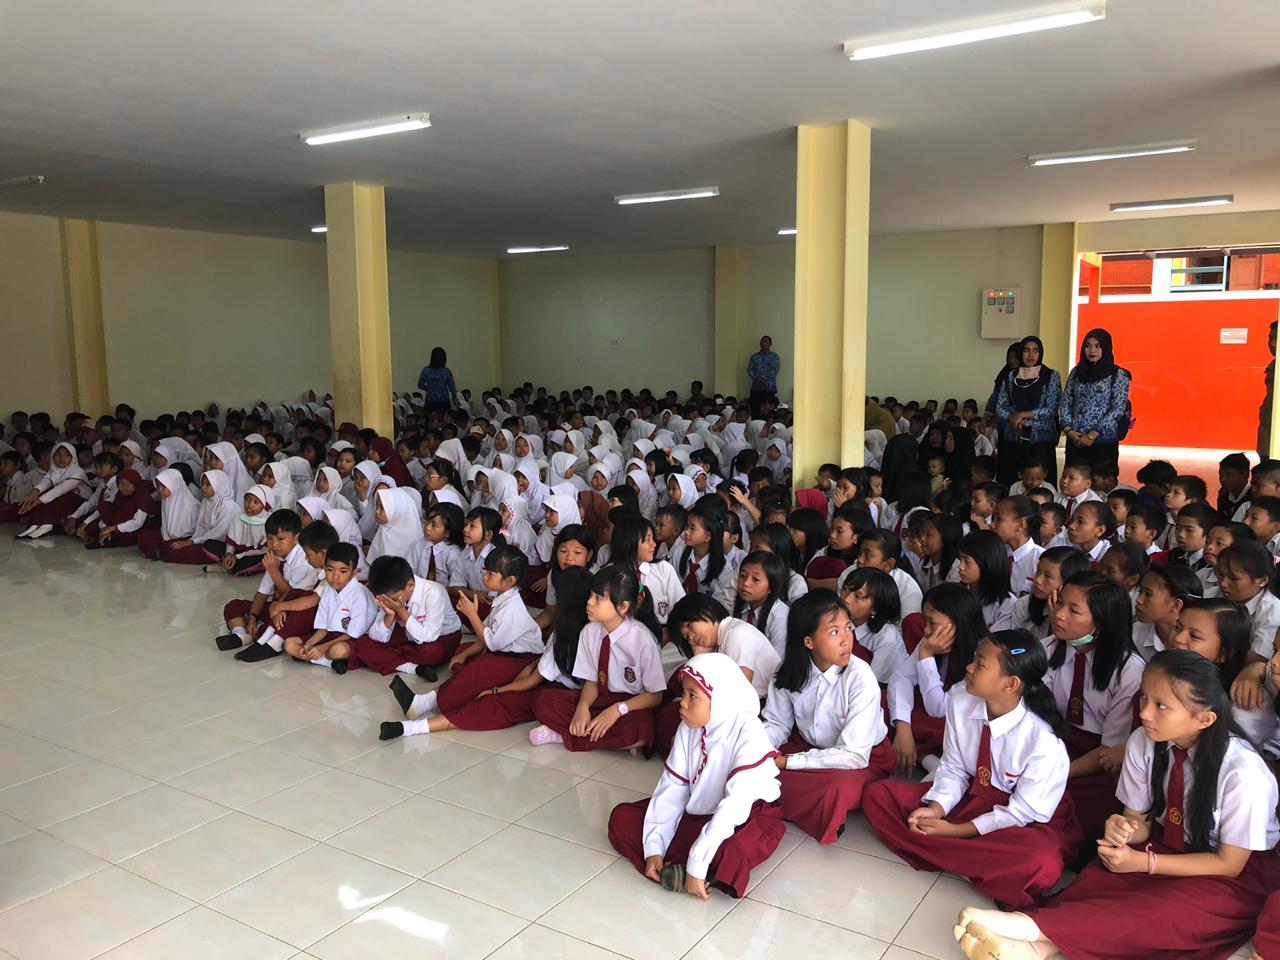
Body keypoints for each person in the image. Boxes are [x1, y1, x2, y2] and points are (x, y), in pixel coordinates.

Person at [953, 651, 1280, 960]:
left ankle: (1029, 929)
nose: (1144, 713)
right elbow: (1139, 822)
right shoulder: (1144, 742)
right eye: (1144, 698)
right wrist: (1123, 830)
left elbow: (1228, 864)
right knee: (1101, 881)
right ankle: (1034, 950)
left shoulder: (1243, 773)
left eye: (1161, 706)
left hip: (1236, 871)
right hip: (1167, 843)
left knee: (1169, 910)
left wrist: (1144, 863)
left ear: (1204, 719)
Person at [864, 631, 1080, 906]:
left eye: (980, 664)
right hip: (970, 796)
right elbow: (953, 767)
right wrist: (937, 809)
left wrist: (954, 831)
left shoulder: (1043, 742)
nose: (968, 667)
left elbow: (1022, 813)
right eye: (974, 659)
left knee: (1040, 864)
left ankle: (946, 851)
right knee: (878, 796)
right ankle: (976, 866)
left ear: (1010, 684)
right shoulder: (960, 702)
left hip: (1021, 822)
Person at [606, 652, 787, 899]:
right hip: (699, 811)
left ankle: (695, 869)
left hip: (746, 815)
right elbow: (672, 789)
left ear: (719, 699)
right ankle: (683, 869)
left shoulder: (748, 732)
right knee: (622, 818)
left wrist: (697, 862)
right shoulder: (688, 728)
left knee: (731, 851)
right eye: (684, 693)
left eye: (693, 696)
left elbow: (734, 807)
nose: (682, 703)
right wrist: (655, 847)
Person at [762, 589, 895, 842]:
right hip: (810, 747)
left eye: (848, 628)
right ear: (808, 642)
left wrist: (788, 763)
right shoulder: (789, 670)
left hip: (862, 757)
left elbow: (854, 754)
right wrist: (762, 751)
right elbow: (777, 723)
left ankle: (774, 797)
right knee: (754, 767)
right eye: (834, 632)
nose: (846, 640)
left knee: (835, 788)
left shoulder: (860, 676)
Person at [383, 544, 542, 739]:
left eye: (490, 574)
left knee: (479, 669)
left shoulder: (513, 608)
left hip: (522, 659)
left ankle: (428, 703)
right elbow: (486, 634)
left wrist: (472, 614)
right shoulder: (503, 598)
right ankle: (430, 700)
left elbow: (491, 643)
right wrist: (464, 654)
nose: (484, 577)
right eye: (485, 571)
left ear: (510, 581)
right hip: (503, 652)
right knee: (464, 654)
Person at [529, 565, 666, 752]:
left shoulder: (643, 641)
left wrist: (617, 710)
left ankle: (563, 735)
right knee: (543, 700)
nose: (589, 602)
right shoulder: (589, 632)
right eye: (591, 595)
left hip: (630, 704)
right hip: (599, 697)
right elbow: (592, 682)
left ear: (622, 606)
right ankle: (598, 735)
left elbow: (656, 695)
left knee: (643, 729)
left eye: (599, 598)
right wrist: (582, 707)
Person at [349, 554, 463, 678]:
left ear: (410, 585)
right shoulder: (389, 594)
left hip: (441, 636)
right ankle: (415, 668)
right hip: (406, 635)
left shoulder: (433, 592)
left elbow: (429, 636)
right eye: (383, 599)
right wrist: (389, 615)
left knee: (429, 652)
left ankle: (393, 655)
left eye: (392, 599)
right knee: (364, 644)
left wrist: (401, 611)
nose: (388, 602)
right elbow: (376, 637)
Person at [1060, 327, 1133, 479]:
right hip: (1076, 440)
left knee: (1100, 483)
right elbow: (1066, 402)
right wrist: (1069, 430)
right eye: (1087, 346)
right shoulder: (1076, 373)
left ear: (1105, 348)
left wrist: (1092, 435)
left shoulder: (1118, 374)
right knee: (1075, 482)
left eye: (1097, 346)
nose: (1092, 350)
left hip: (1103, 442)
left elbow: (1117, 409)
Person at [994, 336, 1062, 488]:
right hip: (1014, 438)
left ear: (1040, 353)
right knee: (1013, 483)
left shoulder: (1051, 375)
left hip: (1041, 440)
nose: (1031, 355)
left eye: (1035, 351)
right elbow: (1000, 406)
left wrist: (1022, 415)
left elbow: (1051, 409)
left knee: (1040, 485)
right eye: (1026, 350)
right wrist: (1011, 418)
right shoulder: (1011, 375)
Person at [417, 346, 458, 416]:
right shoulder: (446, 372)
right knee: (444, 419)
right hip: (444, 401)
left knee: (430, 419)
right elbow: (452, 387)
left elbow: (420, 385)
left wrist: (429, 388)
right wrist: (454, 396)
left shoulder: (425, 371)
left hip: (430, 401)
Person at [745, 335, 780, 418]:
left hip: (769, 388)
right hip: (756, 388)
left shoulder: (774, 356)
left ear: (770, 344)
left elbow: (774, 370)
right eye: (762, 341)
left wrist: (762, 378)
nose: (763, 343)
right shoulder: (754, 357)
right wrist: (756, 378)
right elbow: (749, 369)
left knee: (769, 411)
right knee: (755, 410)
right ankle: (756, 424)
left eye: (765, 341)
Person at [1260, 320, 1277, 460]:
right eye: (1270, 338)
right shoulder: (1273, 366)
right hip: (1268, 434)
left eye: (1277, 338)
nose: (1272, 343)